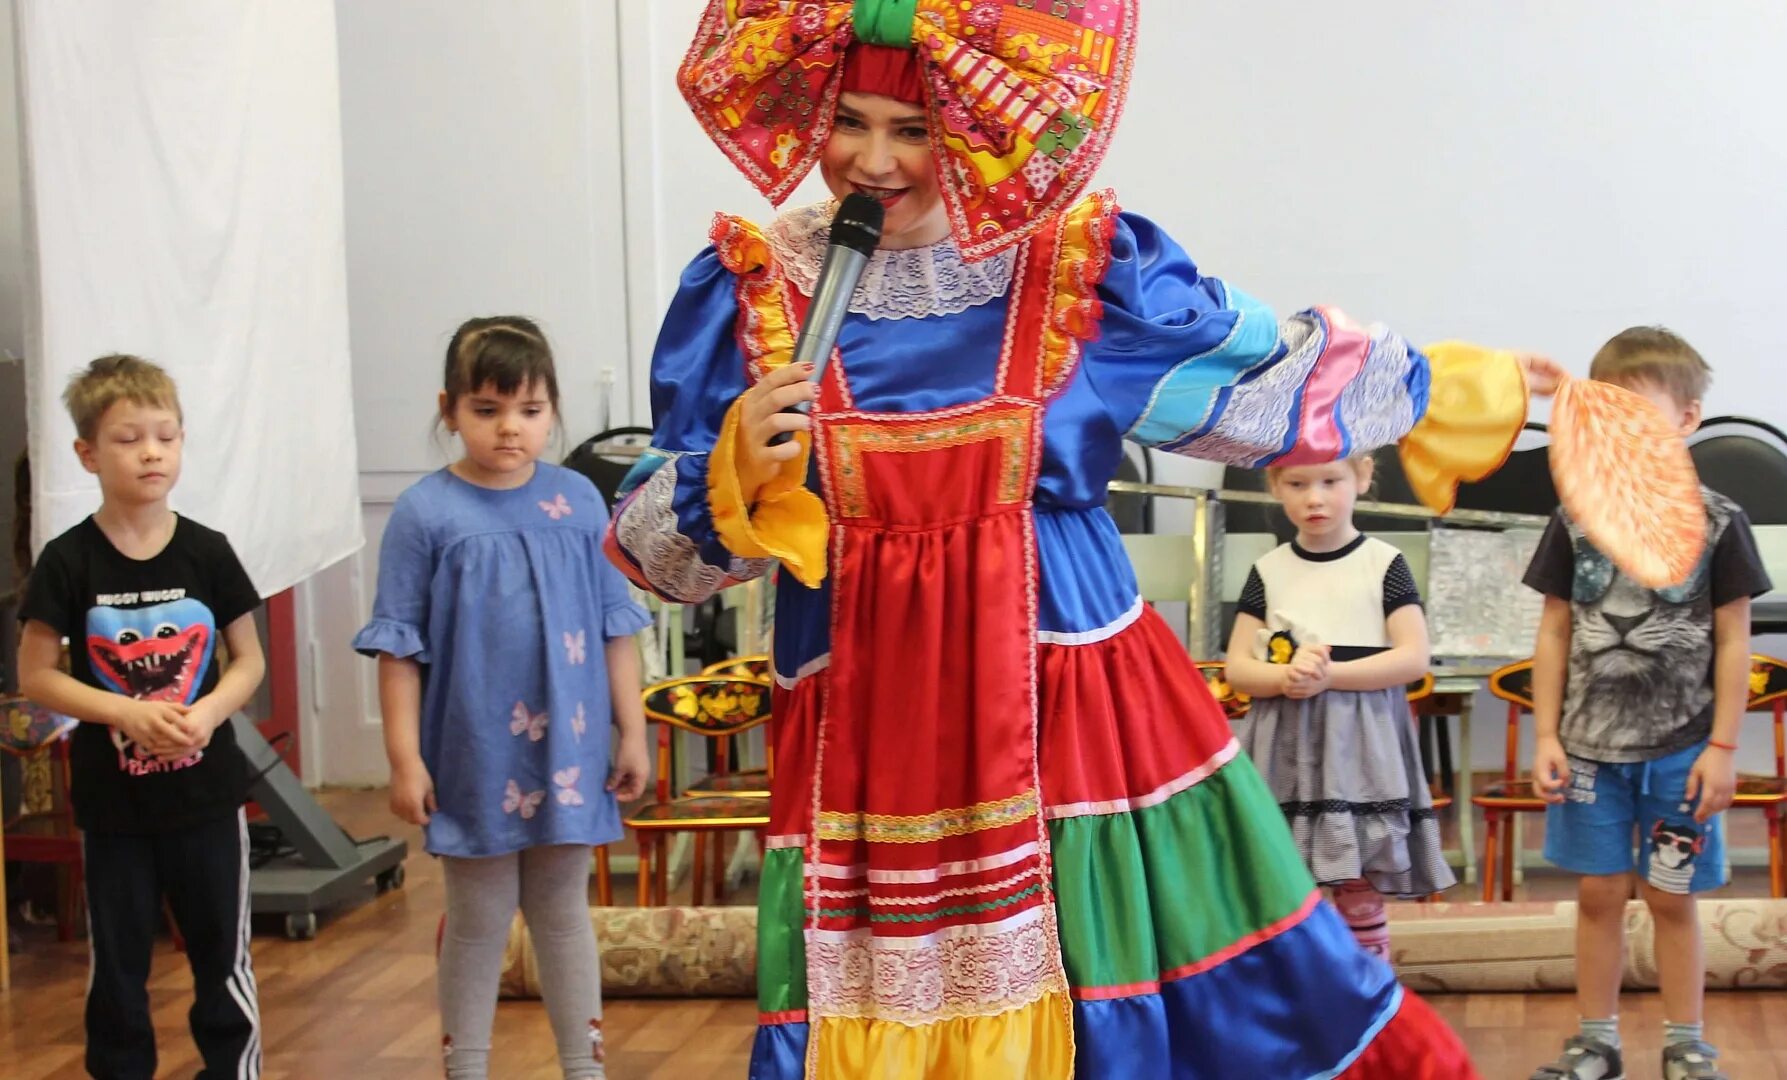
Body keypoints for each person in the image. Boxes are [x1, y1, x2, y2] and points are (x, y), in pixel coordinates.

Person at [606, 4, 1661, 1076]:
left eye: (912, 129)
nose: (872, 161)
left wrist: (1468, 388)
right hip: (865, 722)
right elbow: (658, 561)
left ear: (972, 128)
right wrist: (729, 469)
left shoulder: (1078, 271)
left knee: (1144, 986)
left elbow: (1264, 385)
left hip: (1071, 711)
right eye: (851, 122)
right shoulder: (748, 295)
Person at [353, 317, 652, 1080]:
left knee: (561, 910)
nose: (509, 429)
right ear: (449, 408)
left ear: (551, 410)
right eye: (486, 410)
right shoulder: (425, 512)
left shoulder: (581, 501)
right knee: (480, 918)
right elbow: (397, 647)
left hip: (571, 746)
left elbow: (617, 626)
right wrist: (403, 760)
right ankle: (467, 1067)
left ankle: (582, 1067)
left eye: (528, 410)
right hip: (473, 751)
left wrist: (633, 731)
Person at [1525, 328, 1769, 1080]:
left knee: (1671, 900)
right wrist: (1545, 736)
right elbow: (1554, 629)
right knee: (1597, 896)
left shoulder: (1721, 520)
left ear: (1687, 420)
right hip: (1590, 751)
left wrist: (1723, 748)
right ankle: (1594, 1041)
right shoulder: (1573, 518)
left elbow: (1733, 643)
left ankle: (1683, 1043)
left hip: (1682, 753)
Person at [17, 354, 266, 1079]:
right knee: (119, 970)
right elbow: (37, 676)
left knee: (223, 958)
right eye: (129, 439)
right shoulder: (66, 563)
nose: (152, 452)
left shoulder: (208, 552)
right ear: (87, 453)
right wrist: (124, 710)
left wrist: (210, 711)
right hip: (113, 809)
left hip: (208, 802)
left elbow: (246, 661)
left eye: (166, 435)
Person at [1224, 455, 1454, 963]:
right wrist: (1284, 678)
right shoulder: (1268, 570)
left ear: (1363, 478)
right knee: (1285, 877)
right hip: (1285, 742)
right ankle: (1305, 993)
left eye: (1331, 481)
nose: (1315, 498)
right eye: (1297, 484)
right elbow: (1237, 668)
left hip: (1361, 740)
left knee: (1359, 874)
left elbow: (1413, 657)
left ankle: (1370, 991)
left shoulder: (1384, 563)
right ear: (1275, 486)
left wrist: (1331, 678)